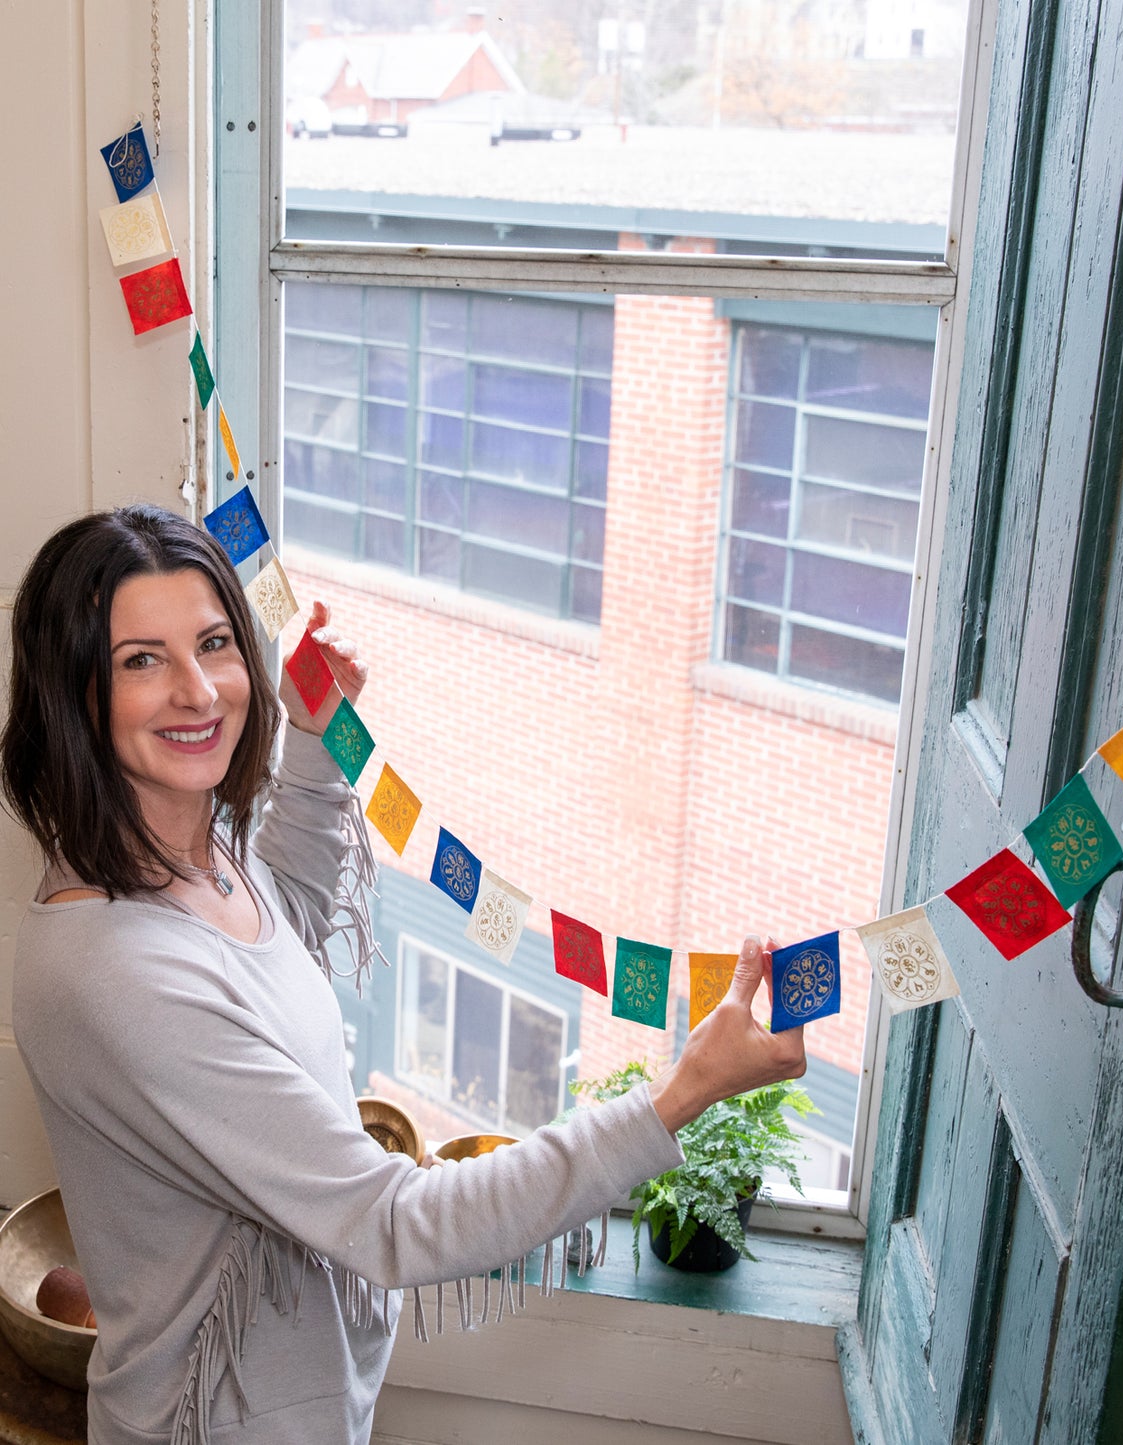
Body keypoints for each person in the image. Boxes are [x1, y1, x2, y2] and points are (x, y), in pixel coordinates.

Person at [2, 504, 806, 1444]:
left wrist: (313, 738)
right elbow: (391, 1221)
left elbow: (280, 932)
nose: (199, 690)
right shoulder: (119, 978)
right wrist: (679, 1093)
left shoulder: (192, 844)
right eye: (142, 659)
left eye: (215, 642)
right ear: (73, 693)